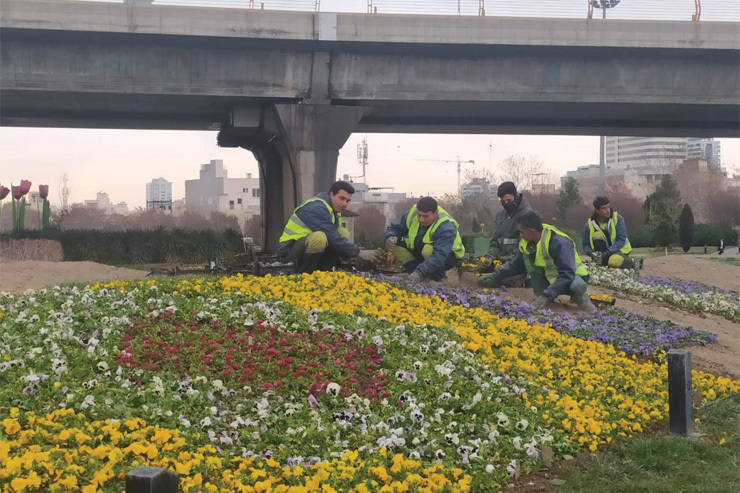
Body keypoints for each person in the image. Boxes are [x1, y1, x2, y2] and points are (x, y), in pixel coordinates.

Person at [479, 211, 596, 313]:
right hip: (551, 277)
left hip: (573, 276)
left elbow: (567, 273)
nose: (520, 236)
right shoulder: (526, 244)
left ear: (531, 231)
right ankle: (542, 296)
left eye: (521, 232)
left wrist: (546, 296)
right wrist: (495, 275)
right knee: (527, 260)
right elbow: (517, 265)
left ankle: (582, 301)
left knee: (577, 286)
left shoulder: (558, 242)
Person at [278, 180, 374, 273]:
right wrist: (358, 253)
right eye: (342, 198)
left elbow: (335, 237)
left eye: (347, 200)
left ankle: (324, 272)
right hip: (289, 254)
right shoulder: (316, 208)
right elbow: (331, 237)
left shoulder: (334, 212)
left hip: (307, 251)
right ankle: (305, 275)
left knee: (343, 232)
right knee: (320, 237)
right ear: (331, 194)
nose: (345, 204)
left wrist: (349, 255)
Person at [384, 196, 465, 282]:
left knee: (428, 250)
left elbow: (439, 256)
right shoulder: (412, 214)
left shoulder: (445, 226)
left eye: (426, 216)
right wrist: (390, 237)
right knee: (396, 245)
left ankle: (437, 279)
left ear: (435, 213)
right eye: (419, 215)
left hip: (447, 255)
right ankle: (413, 274)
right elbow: (395, 228)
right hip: (419, 249)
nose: (421, 219)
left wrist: (420, 272)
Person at [484, 181, 533, 286]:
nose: (506, 204)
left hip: (517, 263)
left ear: (515, 196)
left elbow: (524, 248)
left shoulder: (527, 215)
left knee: (499, 281)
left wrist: (506, 266)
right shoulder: (500, 216)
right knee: (479, 270)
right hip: (501, 261)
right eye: (503, 202)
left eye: (509, 200)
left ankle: (525, 279)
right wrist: (490, 256)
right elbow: (495, 241)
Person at [582, 196, 641, 271]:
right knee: (597, 235)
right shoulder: (589, 225)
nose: (608, 210)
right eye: (604, 208)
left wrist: (606, 253)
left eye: (608, 207)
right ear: (597, 210)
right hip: (602, 254)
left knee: (613, 261)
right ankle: (602, 262)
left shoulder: (618, 219)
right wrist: (593, 254)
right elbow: (585, 245)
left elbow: (621, 240)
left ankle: (633, 262)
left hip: (620, 251)